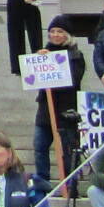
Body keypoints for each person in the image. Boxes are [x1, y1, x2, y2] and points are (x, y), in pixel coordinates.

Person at [34, 16, 88, 186]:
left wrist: (55, 62)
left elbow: (73, 79)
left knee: (68, 149)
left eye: (60, 31)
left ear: (67, 35)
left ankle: (70, 184)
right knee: (40, 146)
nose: (55, 35)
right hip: (45, 109)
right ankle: (43, 181)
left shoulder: (76, 55)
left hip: (66, 110)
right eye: (52, 32)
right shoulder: (43, 53)